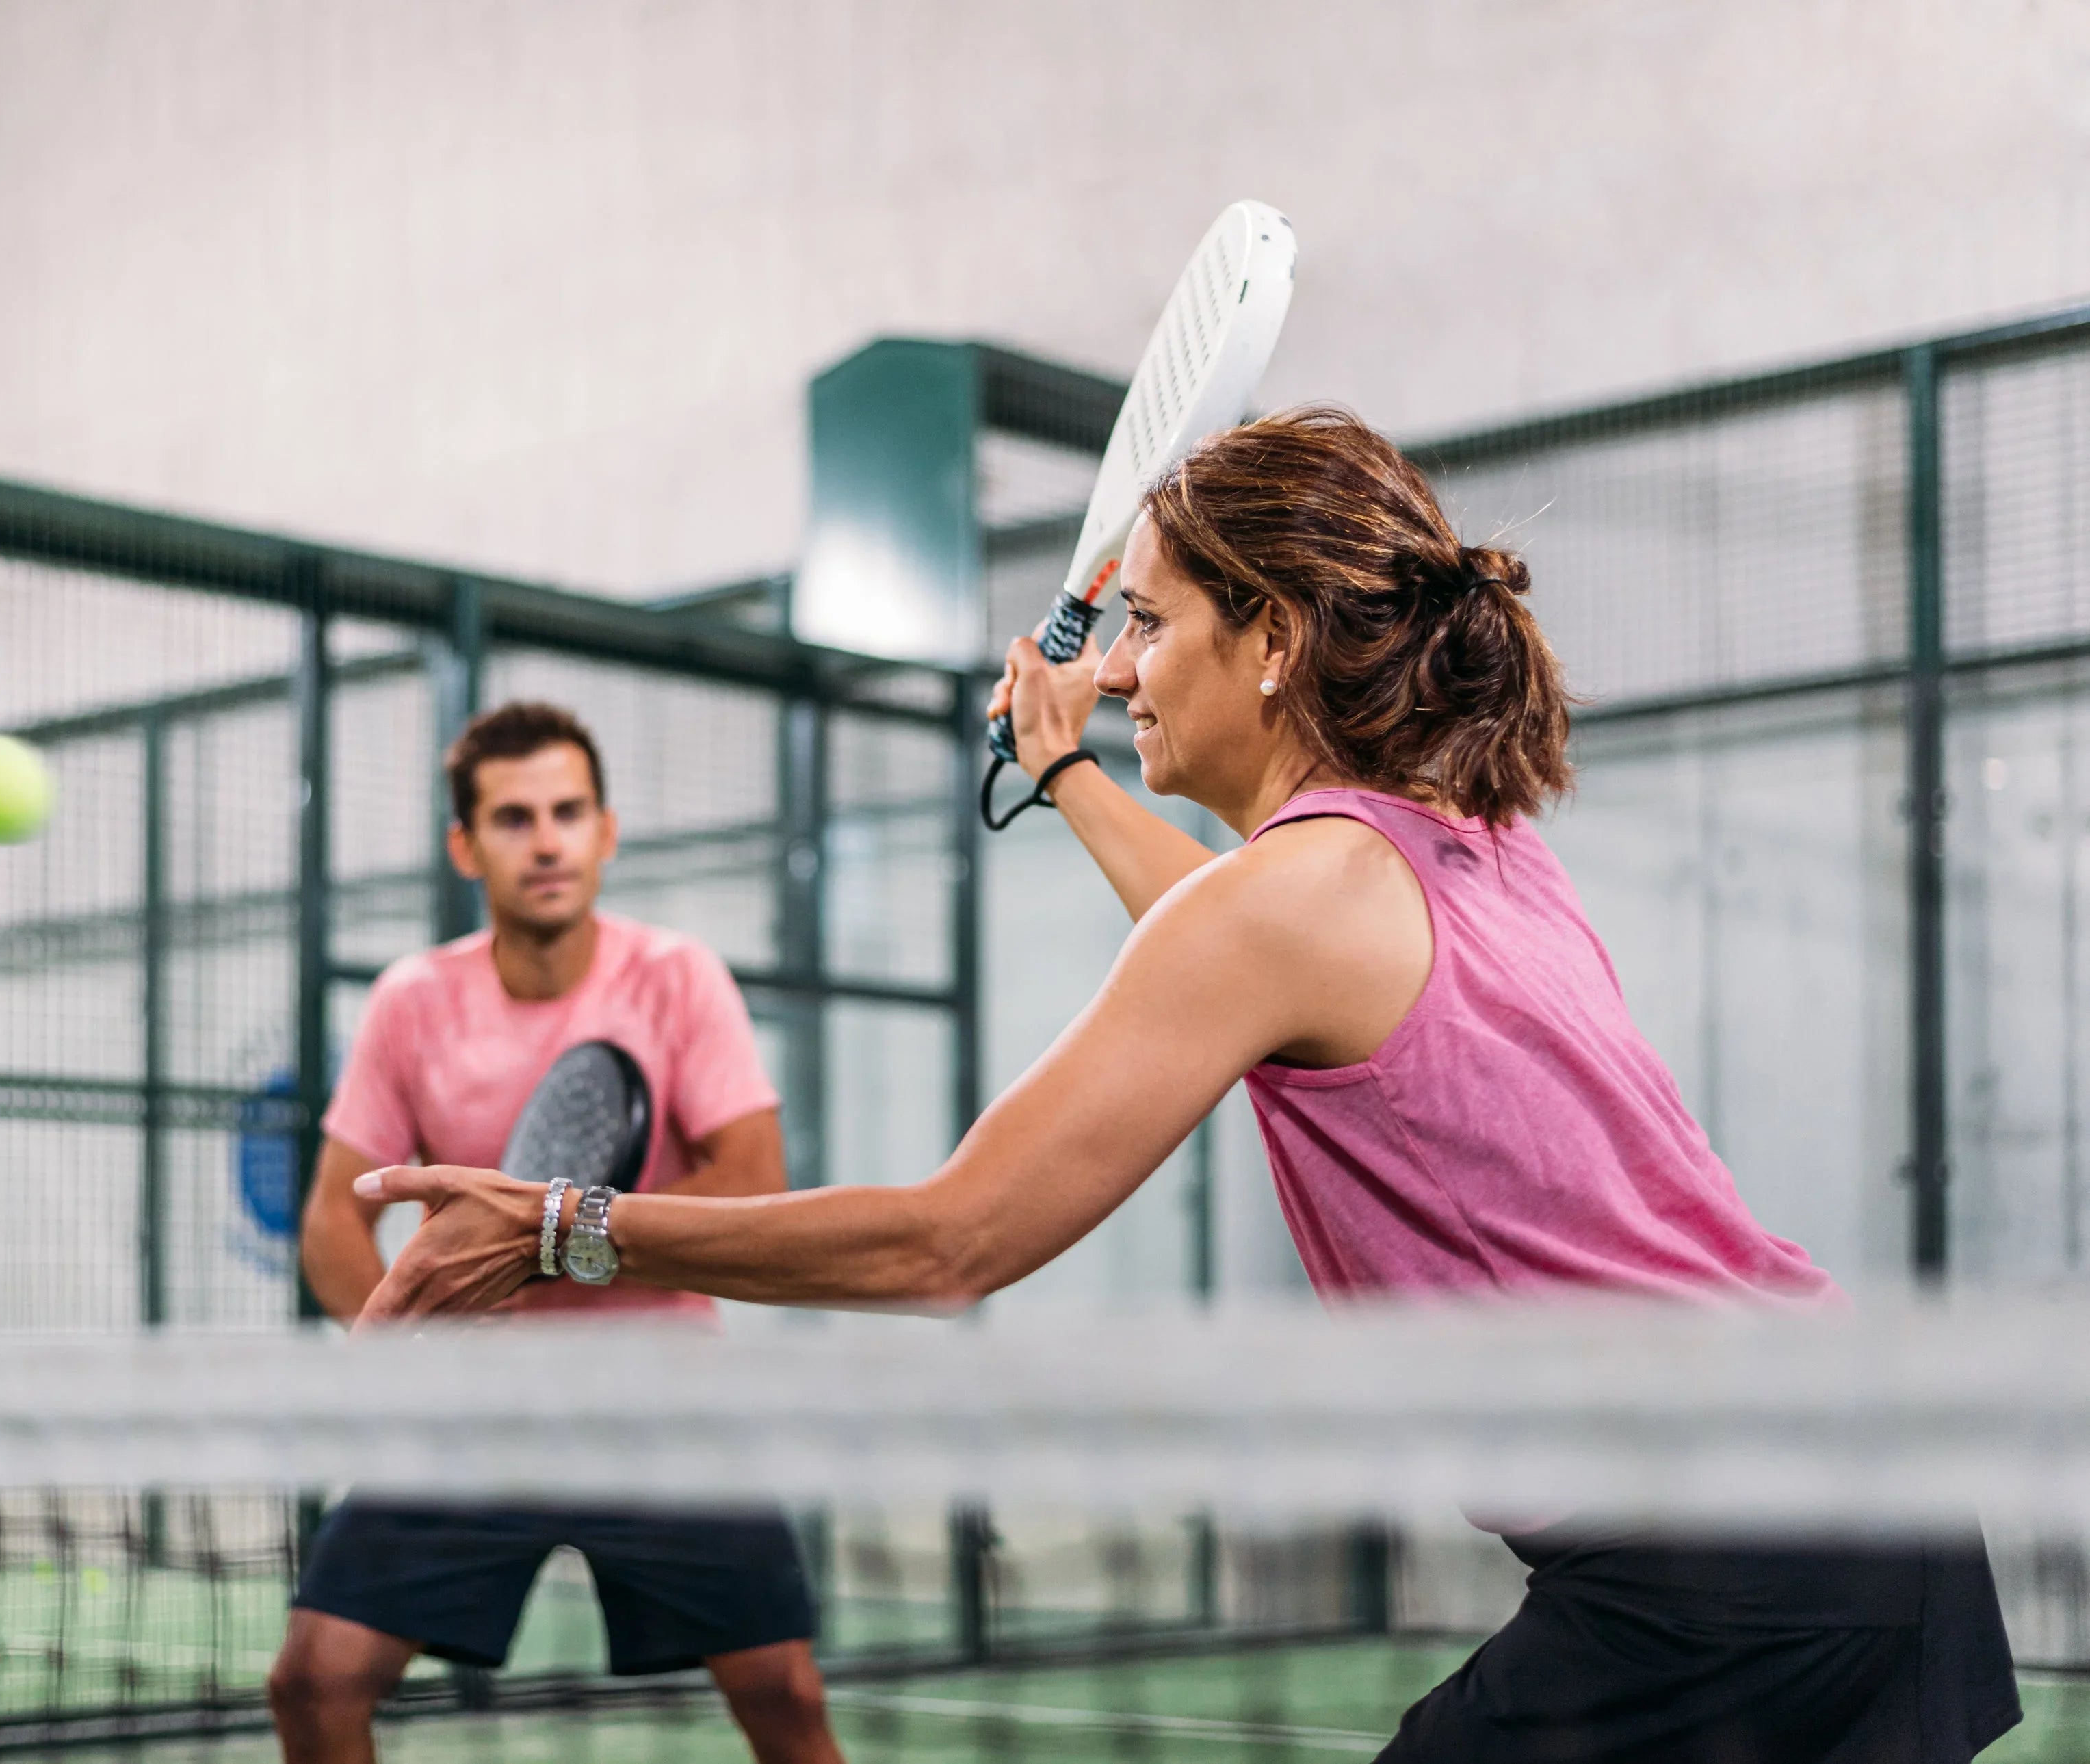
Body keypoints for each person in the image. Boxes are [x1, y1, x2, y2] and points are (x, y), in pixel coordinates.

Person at [352, 411, 2024, 1763]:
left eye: (1150, 621)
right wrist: (1068, 761)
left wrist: (567, 1227)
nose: (1126, 659)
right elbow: (1223, 940)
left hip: (1720, 1563)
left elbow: (951, 1242)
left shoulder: (1287, 901)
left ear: (1275, 640)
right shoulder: (1462, 845)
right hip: (1861, 1492)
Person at [266, 702, 840, 1764]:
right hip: (476, 1418)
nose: (546, 839)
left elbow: (752, 1178)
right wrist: (404, 1345)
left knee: (785, 1699)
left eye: (569, 812)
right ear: (465, 843)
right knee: (312, 1683)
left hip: (662, 1400)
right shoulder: (412, 1002)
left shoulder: (675, 978)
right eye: (515, 815)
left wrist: (543, 1240)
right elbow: (334, 1220)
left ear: (606, 832)